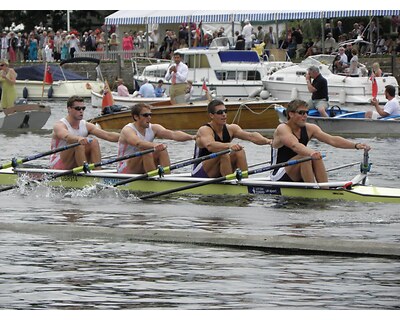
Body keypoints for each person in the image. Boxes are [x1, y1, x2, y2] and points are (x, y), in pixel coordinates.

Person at [270, 99, 370, 183]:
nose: (305, 116)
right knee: (306, 156)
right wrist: (312, 153)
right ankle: (312, 191)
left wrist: (356, 145)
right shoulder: (282, 128)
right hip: (279, 173)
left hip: (297, 169)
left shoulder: (310, 128)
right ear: (291, 114)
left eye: (306, 112)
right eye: (301, 113)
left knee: (313, 156)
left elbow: (332, 140)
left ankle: (324, 188)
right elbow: (294, 145)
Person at [192, 99, 272, 178]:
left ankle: (245, 182)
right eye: (220, 112)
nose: (224, 114)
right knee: (223, 153)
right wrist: (229, 145)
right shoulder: (205, 130)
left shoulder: (231, 128)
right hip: (201, 172)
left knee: (239, 151)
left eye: (225, 111)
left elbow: (251, 136)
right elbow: (210, 145)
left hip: (220, 169)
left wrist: (268, 141)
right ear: (211, 115)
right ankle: (230, 184)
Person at [117, 103, 195, 174]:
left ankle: (167, 176)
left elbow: (173, 134)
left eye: (150, 115)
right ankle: (153, 179)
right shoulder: (128, 130)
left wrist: (192, 137)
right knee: (145, 149)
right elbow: (138, 143)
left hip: (142, 164)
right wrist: (154, 145)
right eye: (145, 115)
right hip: (125, 167)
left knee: (162, 149)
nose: (149, 117)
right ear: (136, 117)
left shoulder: (154, 128)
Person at [49, 96, 120, 170]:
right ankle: (85, 172)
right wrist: (79, 138)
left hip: (75, 162)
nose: (81, 111)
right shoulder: (60, 125)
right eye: (78, 108)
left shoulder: (86, 125)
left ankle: (97, 172)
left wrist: (124, 137)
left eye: (83, 108)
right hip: (59, 164)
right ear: (69, 109)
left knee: (93, 141)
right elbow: (67, 136)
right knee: (77, 143)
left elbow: (108, 135)